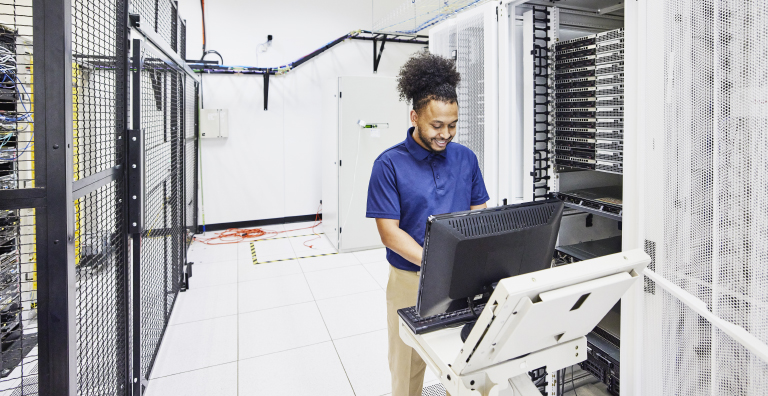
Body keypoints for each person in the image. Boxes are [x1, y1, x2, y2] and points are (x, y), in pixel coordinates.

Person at [366, 51, 489, 396]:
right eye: (436, 125)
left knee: (465, 360)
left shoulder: (466, 158)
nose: (445, 134)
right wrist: (438, 263)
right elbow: (389, 233)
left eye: (452, 125)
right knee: (407, 368)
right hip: (410, 279)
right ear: (415, 116)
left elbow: (478, 208)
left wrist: (470, 257)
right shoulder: (388, 165)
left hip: (462, 279)